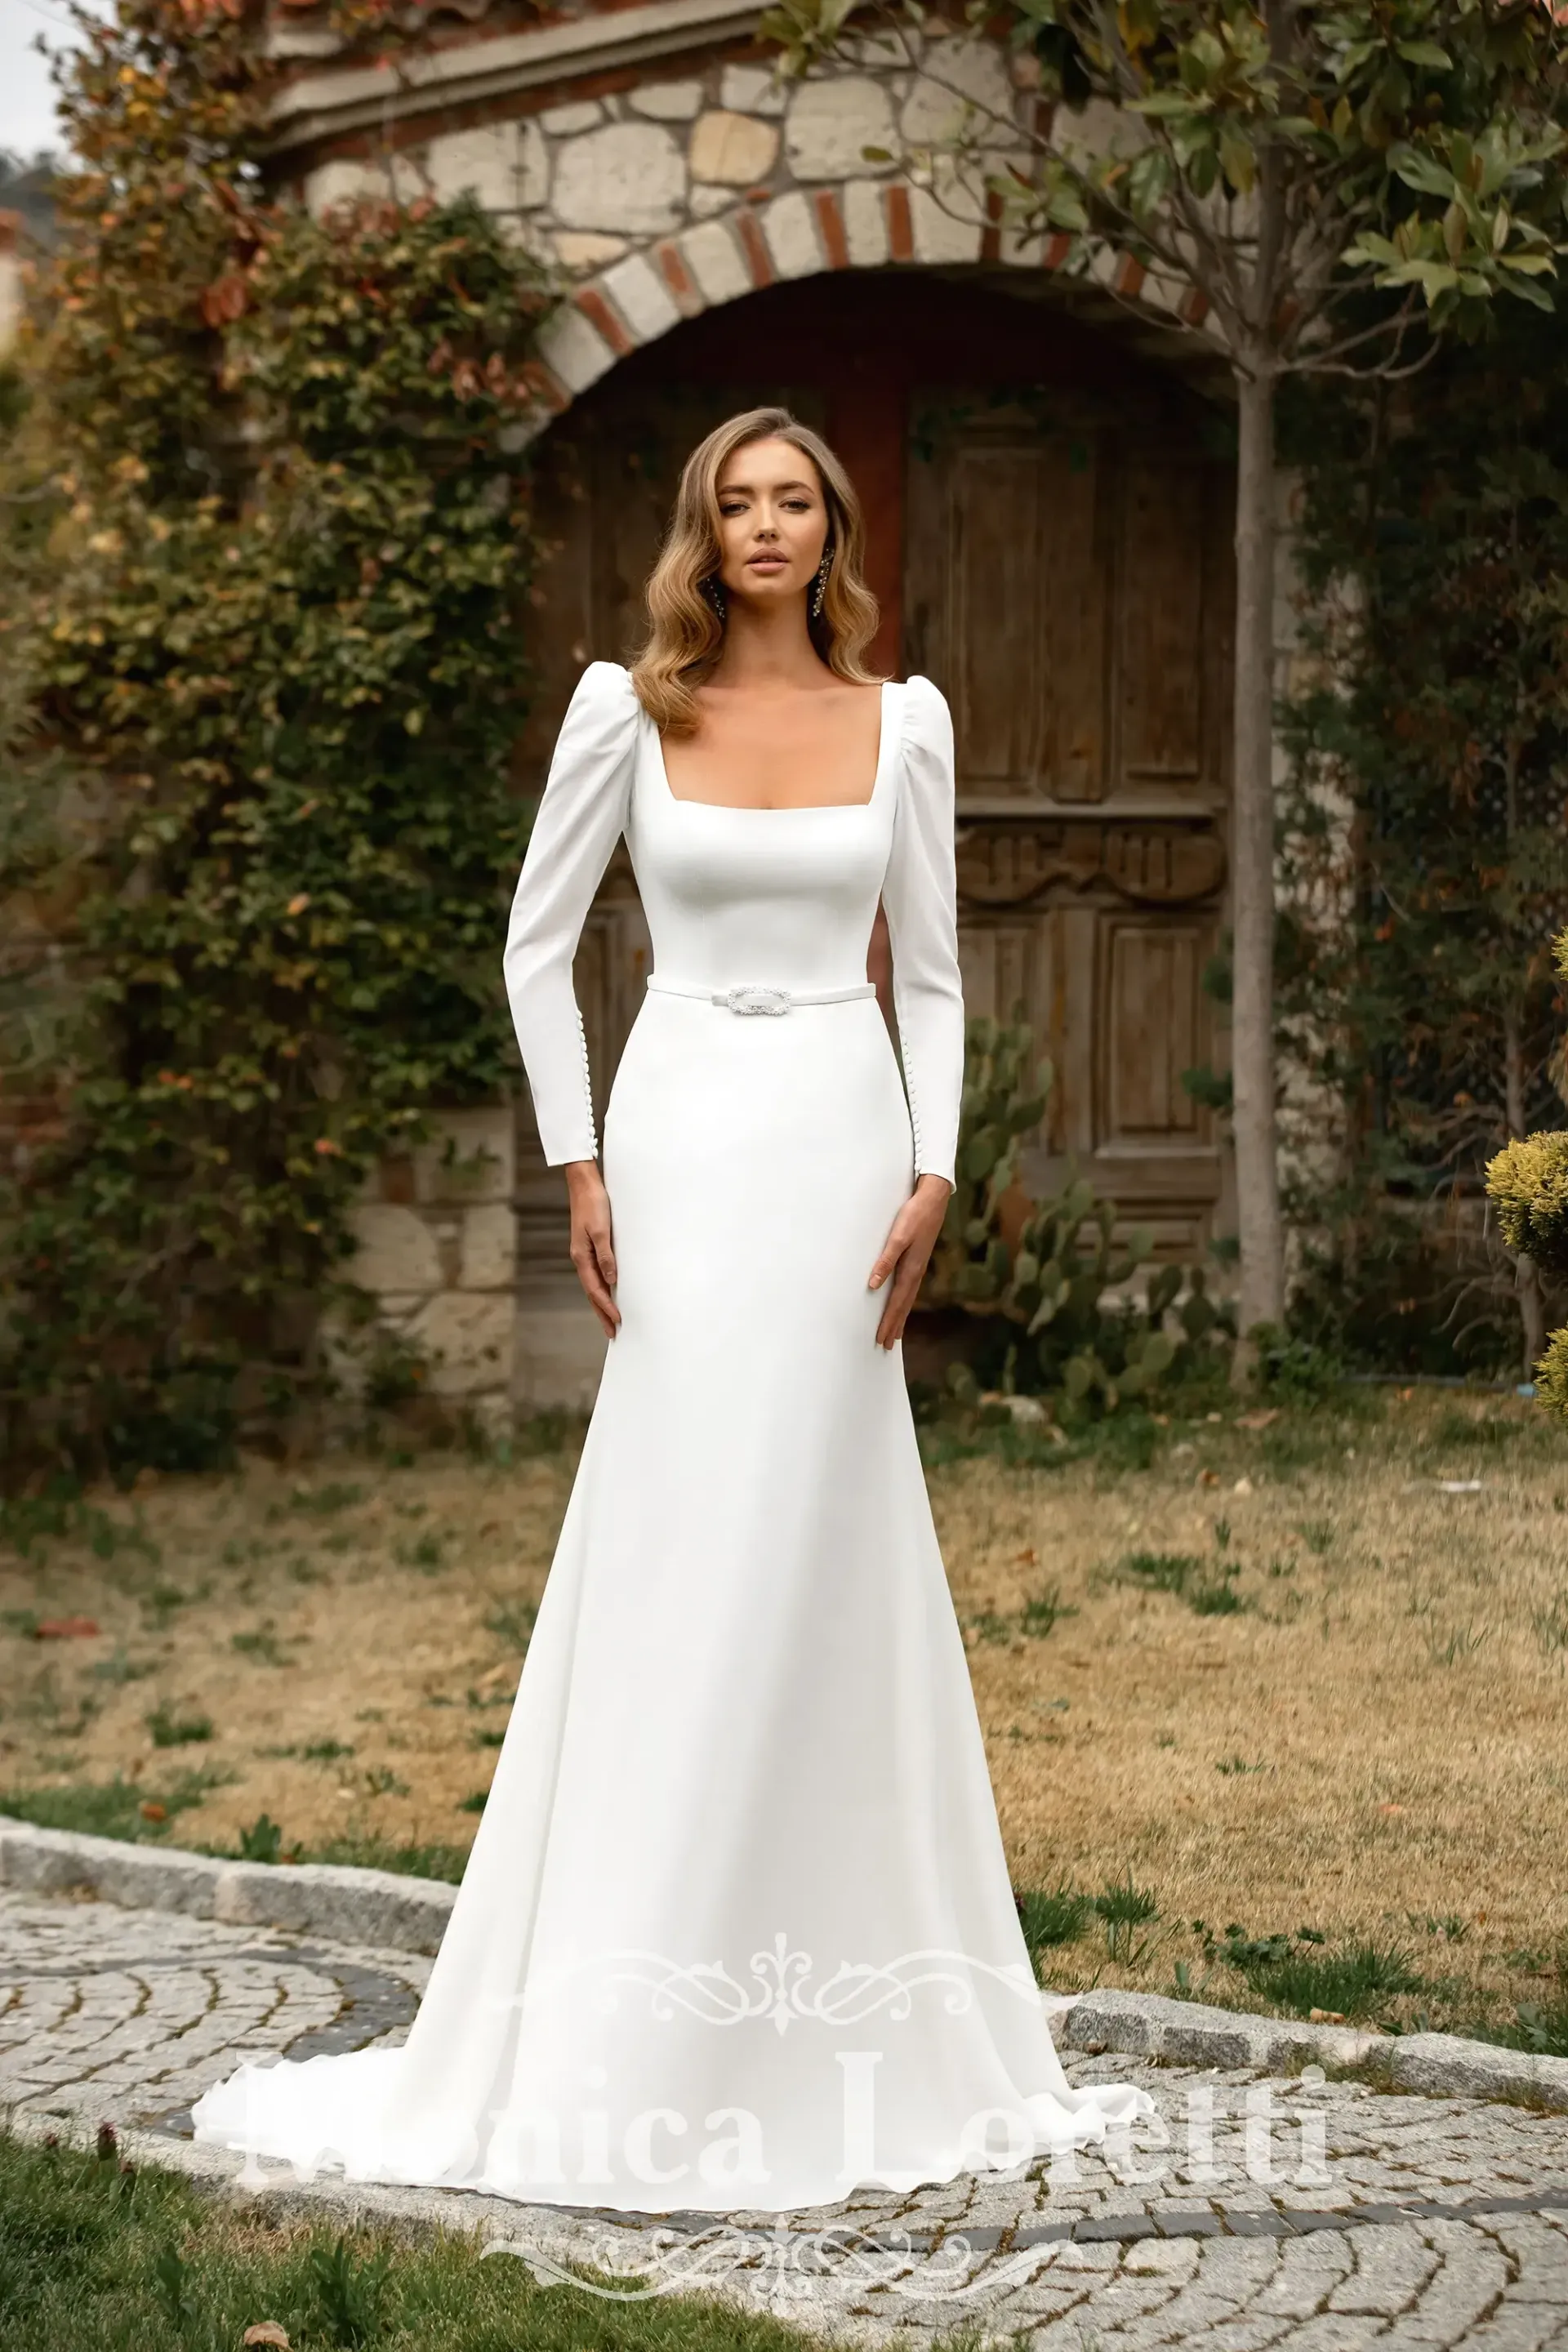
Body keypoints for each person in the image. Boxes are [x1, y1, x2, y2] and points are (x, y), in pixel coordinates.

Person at [190, 405, 1152, 2215]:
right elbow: (533, 946)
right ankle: (630, 2008)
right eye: (737, 502)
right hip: (684, 1140)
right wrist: (579, 1163)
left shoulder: (908, 722)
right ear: (702, 533)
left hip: (842, 1146)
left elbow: (934, 975)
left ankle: (838, 1996)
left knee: (821, 1530)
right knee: (680, 1530)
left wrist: (935, 1171)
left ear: (833, 529)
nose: (766, 526)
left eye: (795, 501)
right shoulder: (621, 711)